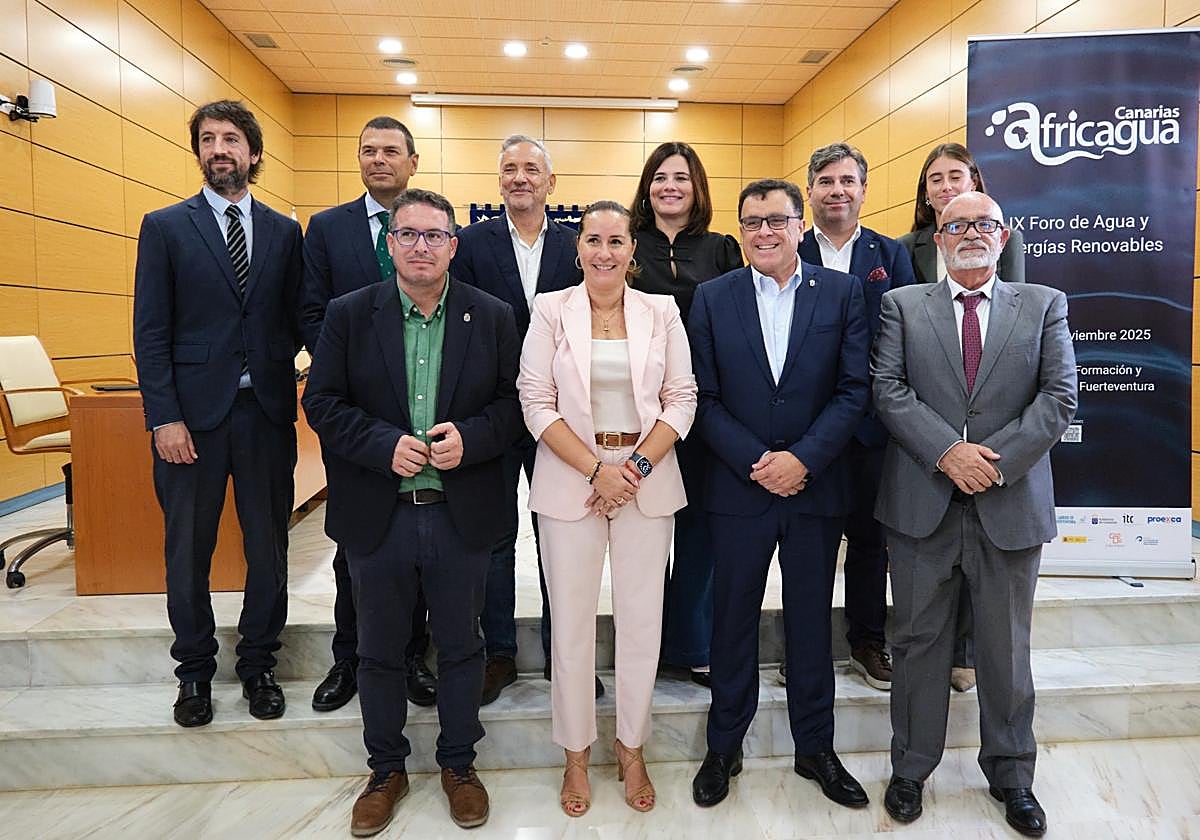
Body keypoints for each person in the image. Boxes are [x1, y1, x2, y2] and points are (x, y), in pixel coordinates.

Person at [302, 188, 522, 834]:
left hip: (461, 514)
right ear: (390, 244)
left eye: (435, 235)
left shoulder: (494, 315)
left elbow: (515, 406)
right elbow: (323, 403)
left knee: (461, 646)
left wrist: (473, 440)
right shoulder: (348, 315)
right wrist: (380, 445)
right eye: (409, 235)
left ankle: (458, 765)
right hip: (381, 514)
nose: (421, 246)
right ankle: (386, 769)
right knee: (378, 651)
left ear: (454, 245)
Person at [873, 191, 1075, 838]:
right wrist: (946, 453)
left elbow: (1058, 395)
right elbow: (889, 390)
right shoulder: (901, 306)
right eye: (957, 224)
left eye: (984, 224)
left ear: (1003, 233)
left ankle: (1013, 777)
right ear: (938, 235)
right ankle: (911, 769)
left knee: (1006, 649)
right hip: (920, 504)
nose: (971, 234)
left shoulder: (1043, 304)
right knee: (916, 642)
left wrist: (992, 463)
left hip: (1009, 505)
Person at [688, 179, 870, 810]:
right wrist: (757, 461)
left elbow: (854, 390)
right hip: (738, 489)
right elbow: (702, 398)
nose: (763, 233)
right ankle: (723, 744)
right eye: (751, 222)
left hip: (814, 489)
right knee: (732, 620)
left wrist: (804, 460)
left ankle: (815, 747)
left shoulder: (843, 294)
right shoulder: (713, 298)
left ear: (800, 227)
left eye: (775, 221)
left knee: (811, 623)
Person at [518, 201, 696, 817]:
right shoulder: (551, 310)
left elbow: (682, 398)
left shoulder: (662, 310)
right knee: (570, 627)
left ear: (631, 250)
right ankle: (574, 754)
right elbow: (536, 402)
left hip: (646, 480)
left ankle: (631, 747)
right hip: (574, 484)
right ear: (577, 249)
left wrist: (633, 470)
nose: (604, 251)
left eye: (615, 240)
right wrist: (598, 471)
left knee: (642, 624)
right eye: (592, 239)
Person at [133, 99, 303, 728]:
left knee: (269, 546)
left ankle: (259, 662)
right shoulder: (166, 226)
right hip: (192, 423)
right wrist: (163, 416)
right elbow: (149, 331)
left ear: (253, 153)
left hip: (264, 413)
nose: (220, 149)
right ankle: (195, 673)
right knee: (188, 550)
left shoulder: (286, 233)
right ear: (199, 152)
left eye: (232, 139)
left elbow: (295, 318)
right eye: (208, 139)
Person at [301, 116, 437, 714]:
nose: (379, 160)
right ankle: (349, 655)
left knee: (422, 543)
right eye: (368, 151)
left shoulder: (430, 227)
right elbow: (312, 310)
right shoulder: (328, 229)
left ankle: (412, 655)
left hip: (429, 414)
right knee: (358, 541)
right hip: (358, 418)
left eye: (391, 151)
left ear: (412, 161)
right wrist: (348, 365)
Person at [449, 135, 584, 705]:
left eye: (532, 169)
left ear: (551, 183)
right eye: (510, 169)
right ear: (498, 180)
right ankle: (498, 652)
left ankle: (564, 654)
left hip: (561, 414)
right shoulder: (472, 243)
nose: (521, 177)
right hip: (495, 410)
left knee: (560, 536)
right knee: (495, 535)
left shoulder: (578, 246)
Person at [896, 142, 1027, 694]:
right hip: (927, 446)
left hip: (997, 448)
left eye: (957, 176)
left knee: (994, 586)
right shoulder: (907, 250)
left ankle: (968, 652)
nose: (946, 186)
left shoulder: (1008, 246)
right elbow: (899, 362)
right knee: (925, 591)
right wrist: (945, 448)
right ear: (925, 195)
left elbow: (1015, 344)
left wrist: (989, 456)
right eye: (935, 180)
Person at [792, 142, 916, 693]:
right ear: (810, 191)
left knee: (870, 541)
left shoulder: (891, 256)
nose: (837, 191)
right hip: (808, 427)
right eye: (826, 181)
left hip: (872, 428)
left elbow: (909, 336)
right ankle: (807, 646)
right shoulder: (788, 249)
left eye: (847, 181)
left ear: (864, 190)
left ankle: (867, 640)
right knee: (809, 545)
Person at [629, 141, 743, 688]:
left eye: (682, 177)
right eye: (660, 177)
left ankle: (692, 644)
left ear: (697, 188)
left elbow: (737, 327)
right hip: (636, 412)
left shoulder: (721, 248)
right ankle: (643, 644)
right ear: (646, 186)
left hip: (705, 409)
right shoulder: (627, 246)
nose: (670, 186)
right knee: (643, 533)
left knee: (700, 530)